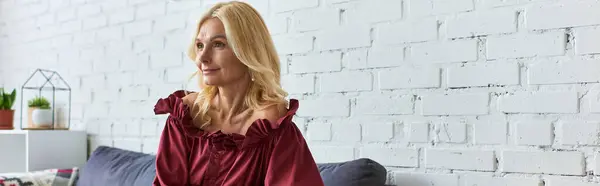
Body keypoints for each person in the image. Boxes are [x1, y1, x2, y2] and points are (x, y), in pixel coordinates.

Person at [152, 1, 325, 186]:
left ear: (248, 51)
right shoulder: (185, 118)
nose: (202, 58)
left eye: (218, 44)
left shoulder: (273, 130)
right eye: (200, 45)